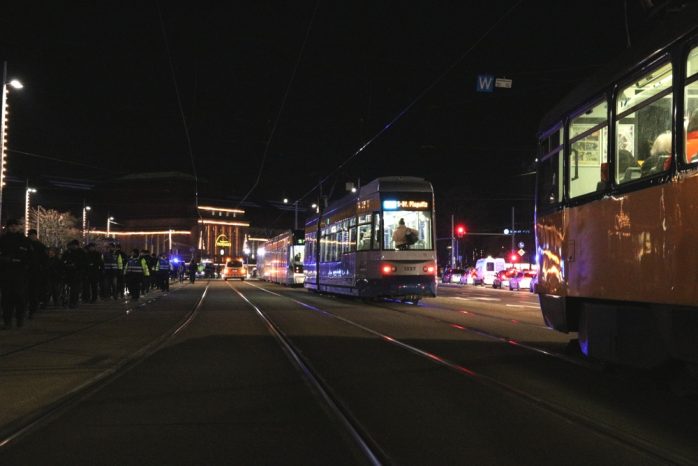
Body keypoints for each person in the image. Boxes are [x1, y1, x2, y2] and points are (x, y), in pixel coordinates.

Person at [0, 219, 32, 329]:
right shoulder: (3, 240)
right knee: (6, 298)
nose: (13, 227)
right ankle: (7, 321)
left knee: (20, 297)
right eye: (11, 226)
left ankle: (20, 319)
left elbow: (30, 257)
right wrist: (5, 259)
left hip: (20, 273)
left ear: (19, 227)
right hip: (5, 273)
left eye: (15, 225)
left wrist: (21, 262)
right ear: (7, 227)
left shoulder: (24, 240)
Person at [26, 228, 49, 318]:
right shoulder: (25, 244)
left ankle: (33, 309)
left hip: (37, 272)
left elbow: (45, 260)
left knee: (34, 291)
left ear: (36, 235)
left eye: (33, 235)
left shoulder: (41, 246)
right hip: (26, 271)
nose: (31, 237)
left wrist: (42, 268)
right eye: (30, 235)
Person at [62, 239, 86, 308]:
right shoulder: (68, 252)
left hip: (77, 273)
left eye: (74, 245)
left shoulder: (81, 252)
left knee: (75, 289)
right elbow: (63, 261)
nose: (73, 247)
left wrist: (76, 265)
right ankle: (69, 301)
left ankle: (73, 302)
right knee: (70, 289)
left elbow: (83, 262)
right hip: (68, 273)